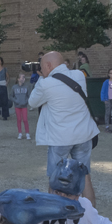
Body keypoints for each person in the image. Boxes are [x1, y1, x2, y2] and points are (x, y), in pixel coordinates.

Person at [29, 52, 99, 199]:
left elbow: (32, 102)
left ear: (48, 66)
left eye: (42, 66)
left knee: (55, 178)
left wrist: (42, 78)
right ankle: (91, 215)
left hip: (60, 137)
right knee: (84, 175)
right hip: (83, 134)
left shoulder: (45, 83)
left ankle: (54, 216)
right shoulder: (79, 75)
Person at [11, 72, 31, 139]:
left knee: (25, 119)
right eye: (22, 77)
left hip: (24, 106)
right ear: (18, 79)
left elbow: (29, 96)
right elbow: (11, 96)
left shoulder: (27, 87)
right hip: (17, 106)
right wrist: (16, 101)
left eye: (24, 77)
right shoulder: (14, 87)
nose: (23, 79)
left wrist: (26, 101)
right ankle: (20, 133)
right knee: (19, 119)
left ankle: (27, 133)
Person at [101, 68, 112, 133]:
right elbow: (103, 91)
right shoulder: (106, 82)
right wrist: (103, 99)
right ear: (108, 74)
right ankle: (107, 126)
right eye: (111, 73)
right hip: (107, 99)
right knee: (107, 113)